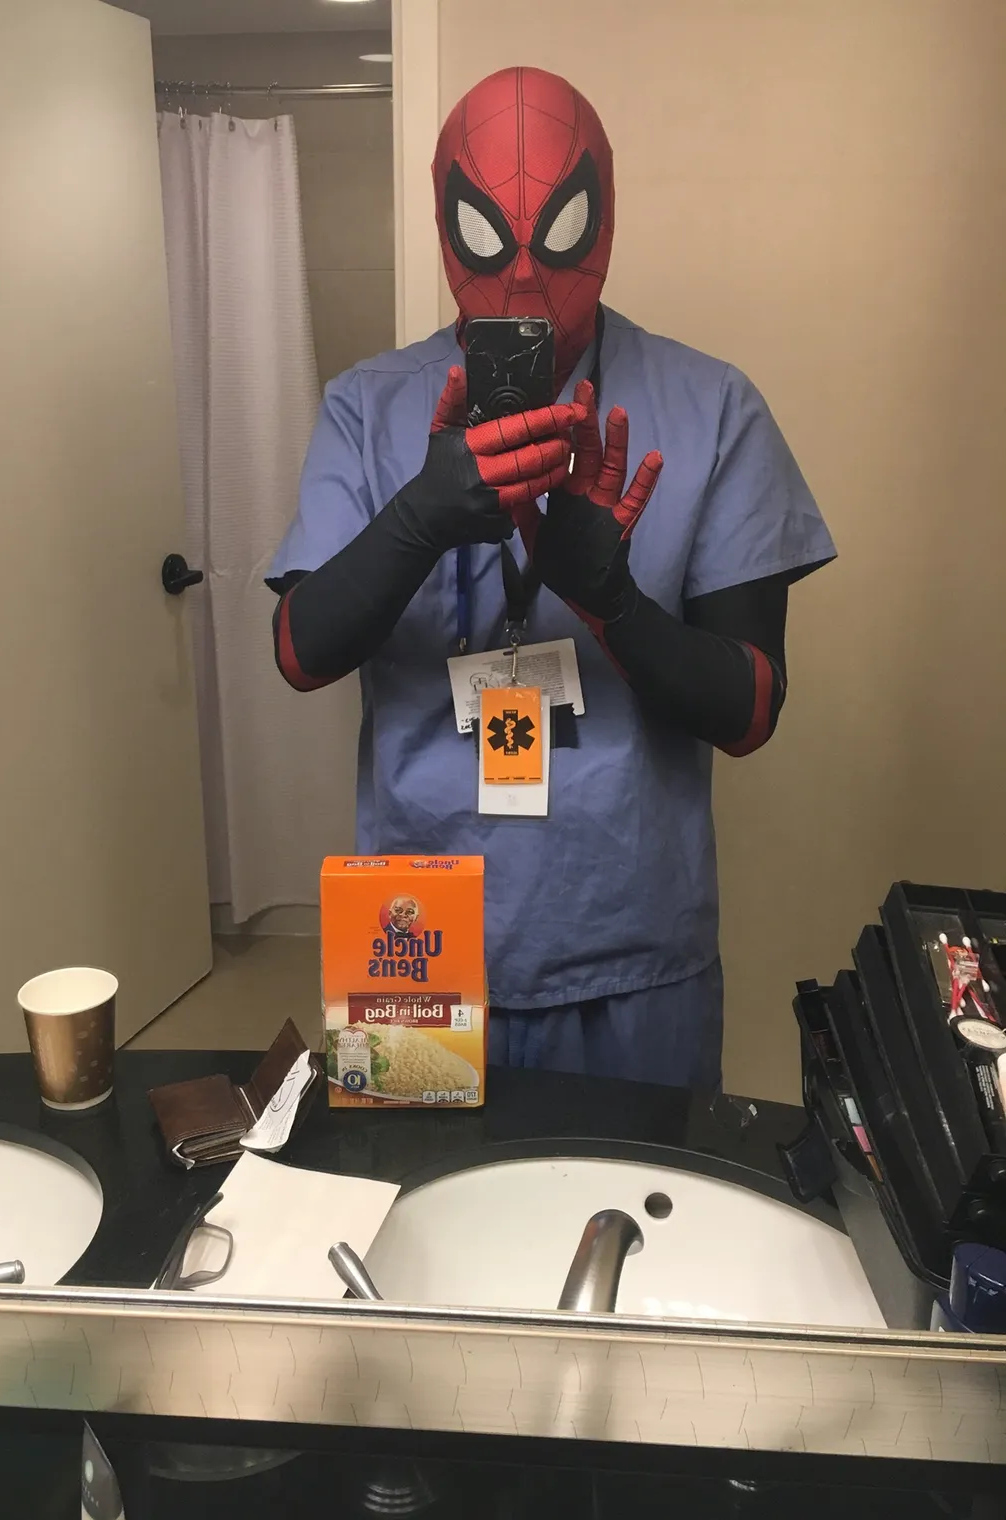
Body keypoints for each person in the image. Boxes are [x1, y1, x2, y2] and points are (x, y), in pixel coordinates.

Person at [266, 66, 834, 1088]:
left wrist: (609, 602)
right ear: (449, 217)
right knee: (415, 1221)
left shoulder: (711, 407)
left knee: (629, 1227)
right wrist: (418, 519)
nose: (523, 274)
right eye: (490, 233)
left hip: (631, 953)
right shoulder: (369, 406)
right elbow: (300, 649)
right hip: (409, 937)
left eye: (557, 228)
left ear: (603, 209)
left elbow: (752, 707)